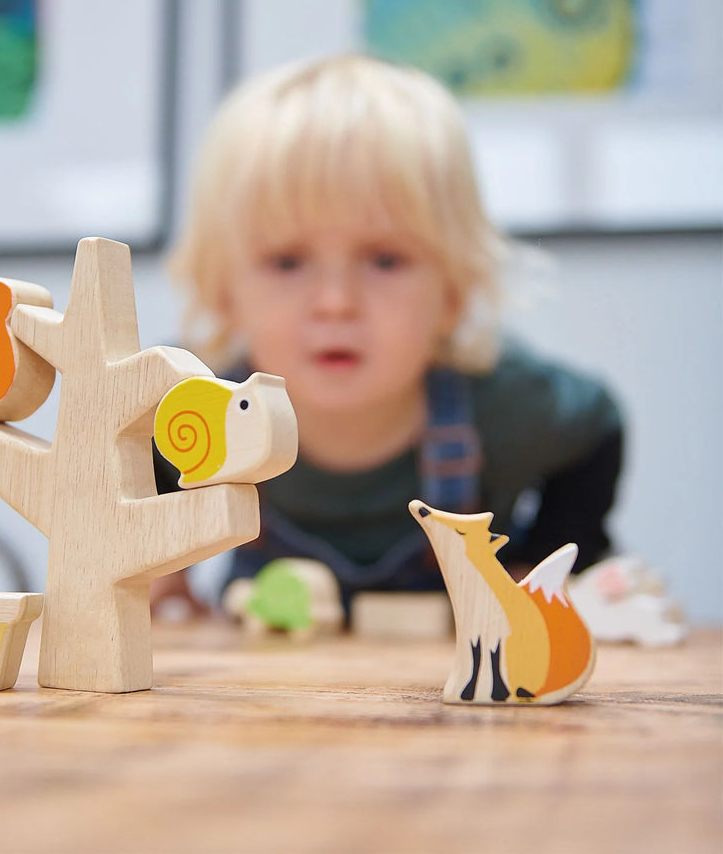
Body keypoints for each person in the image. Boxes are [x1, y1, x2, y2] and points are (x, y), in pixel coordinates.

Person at [152, 54, 623, 616]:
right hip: (272, 680)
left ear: (452, 292)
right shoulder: (200, 411)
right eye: (286, 261)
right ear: (225, 291)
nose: (335, 303)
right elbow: (142, 455)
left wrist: (547, 554)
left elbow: (596, 424)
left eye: (385, 260)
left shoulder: (505, 404)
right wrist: (163, 570)